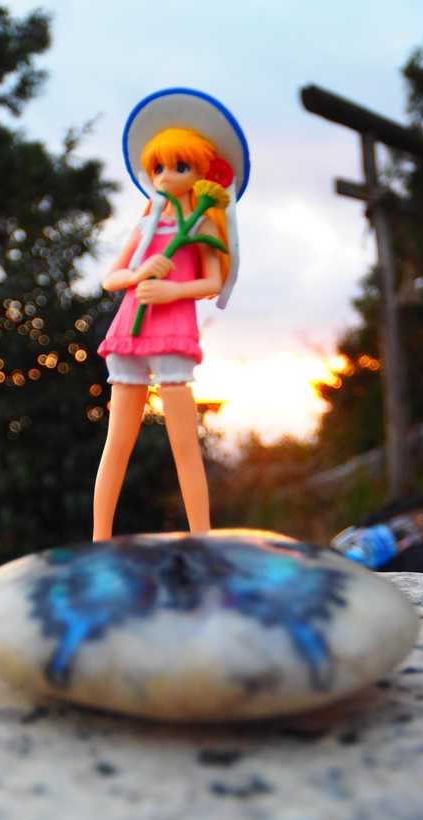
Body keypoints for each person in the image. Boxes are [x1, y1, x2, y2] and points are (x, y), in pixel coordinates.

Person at [93, 89, 249, 541]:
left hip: (174, 331)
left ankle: (201, 537)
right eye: (158, 167)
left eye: (179, 166)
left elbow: (212, 281)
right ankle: (99, 538)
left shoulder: (203, 224)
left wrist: (172, 290)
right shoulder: (146, 223)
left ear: (202, 173)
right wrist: (140, 274)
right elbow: (111, 278)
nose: (165, 176)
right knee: (117, 442)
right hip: (131, 329)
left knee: (184, 445)